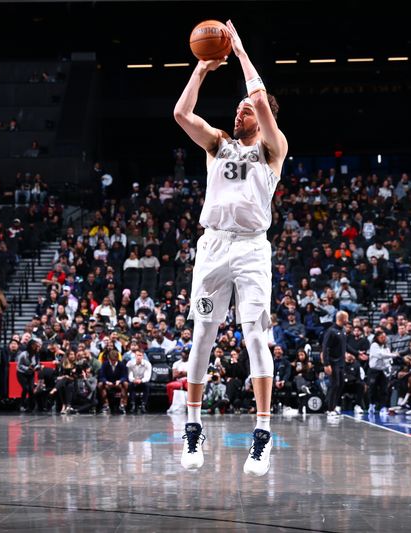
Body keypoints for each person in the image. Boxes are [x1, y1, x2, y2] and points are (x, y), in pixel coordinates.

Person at [173, 19, 287, 476]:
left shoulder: (273, 149)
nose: (238, 114)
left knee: (256, 334)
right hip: (214, 247)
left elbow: (259, 98)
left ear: (258, 119)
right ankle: (193, 428)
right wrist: (201, 69)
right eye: (237, 110)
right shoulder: (218, 144)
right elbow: (182, 115)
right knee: (203, 334)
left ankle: (262, 434)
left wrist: (239, 51)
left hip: (253, 250)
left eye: (245, 111)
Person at [321, 311, 349, 419]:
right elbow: (325, 348)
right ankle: (329, 409)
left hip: (341, 363)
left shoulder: (342, 330)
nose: (348, 320)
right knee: (334, 385)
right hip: (333, 363)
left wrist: (356, 353)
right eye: (347, 318)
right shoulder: (331, 331)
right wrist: (326, 364)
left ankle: (333, 406)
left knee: (340, 384)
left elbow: (344, 345)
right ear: (342, 318)